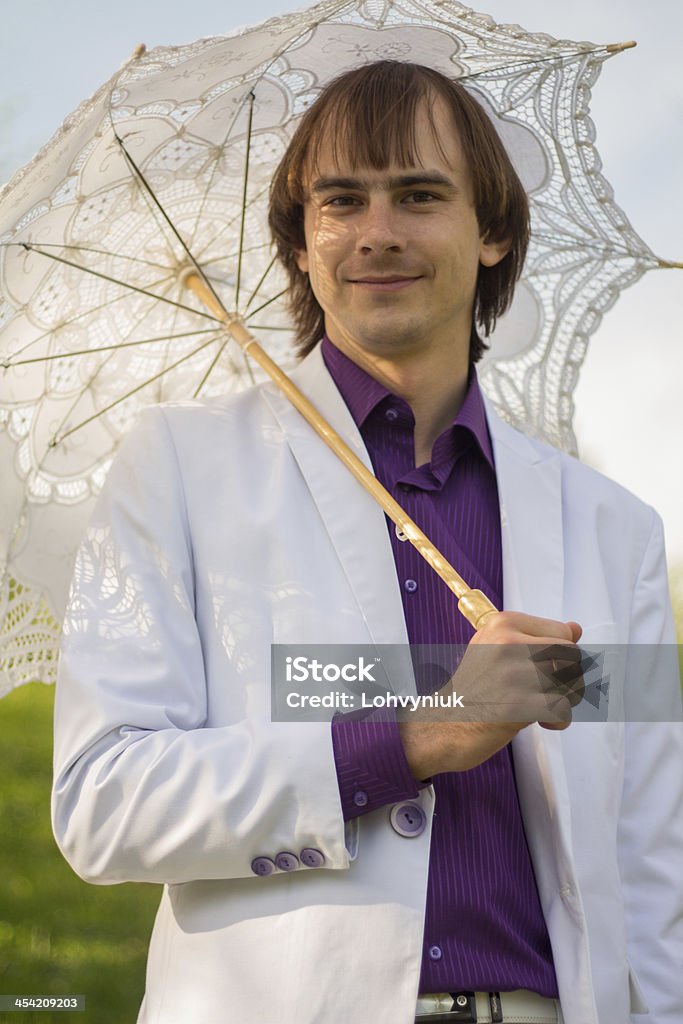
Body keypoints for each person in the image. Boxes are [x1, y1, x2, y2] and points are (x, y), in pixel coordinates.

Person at [51, 61, 682, 1024]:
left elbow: (648, 861)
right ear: (301, 243)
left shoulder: (613, 528)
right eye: (341, 200)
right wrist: (413, 737)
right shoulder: (176, 468)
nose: (377, 232)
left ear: (493, 230)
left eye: (420, 195)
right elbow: (103, 804)